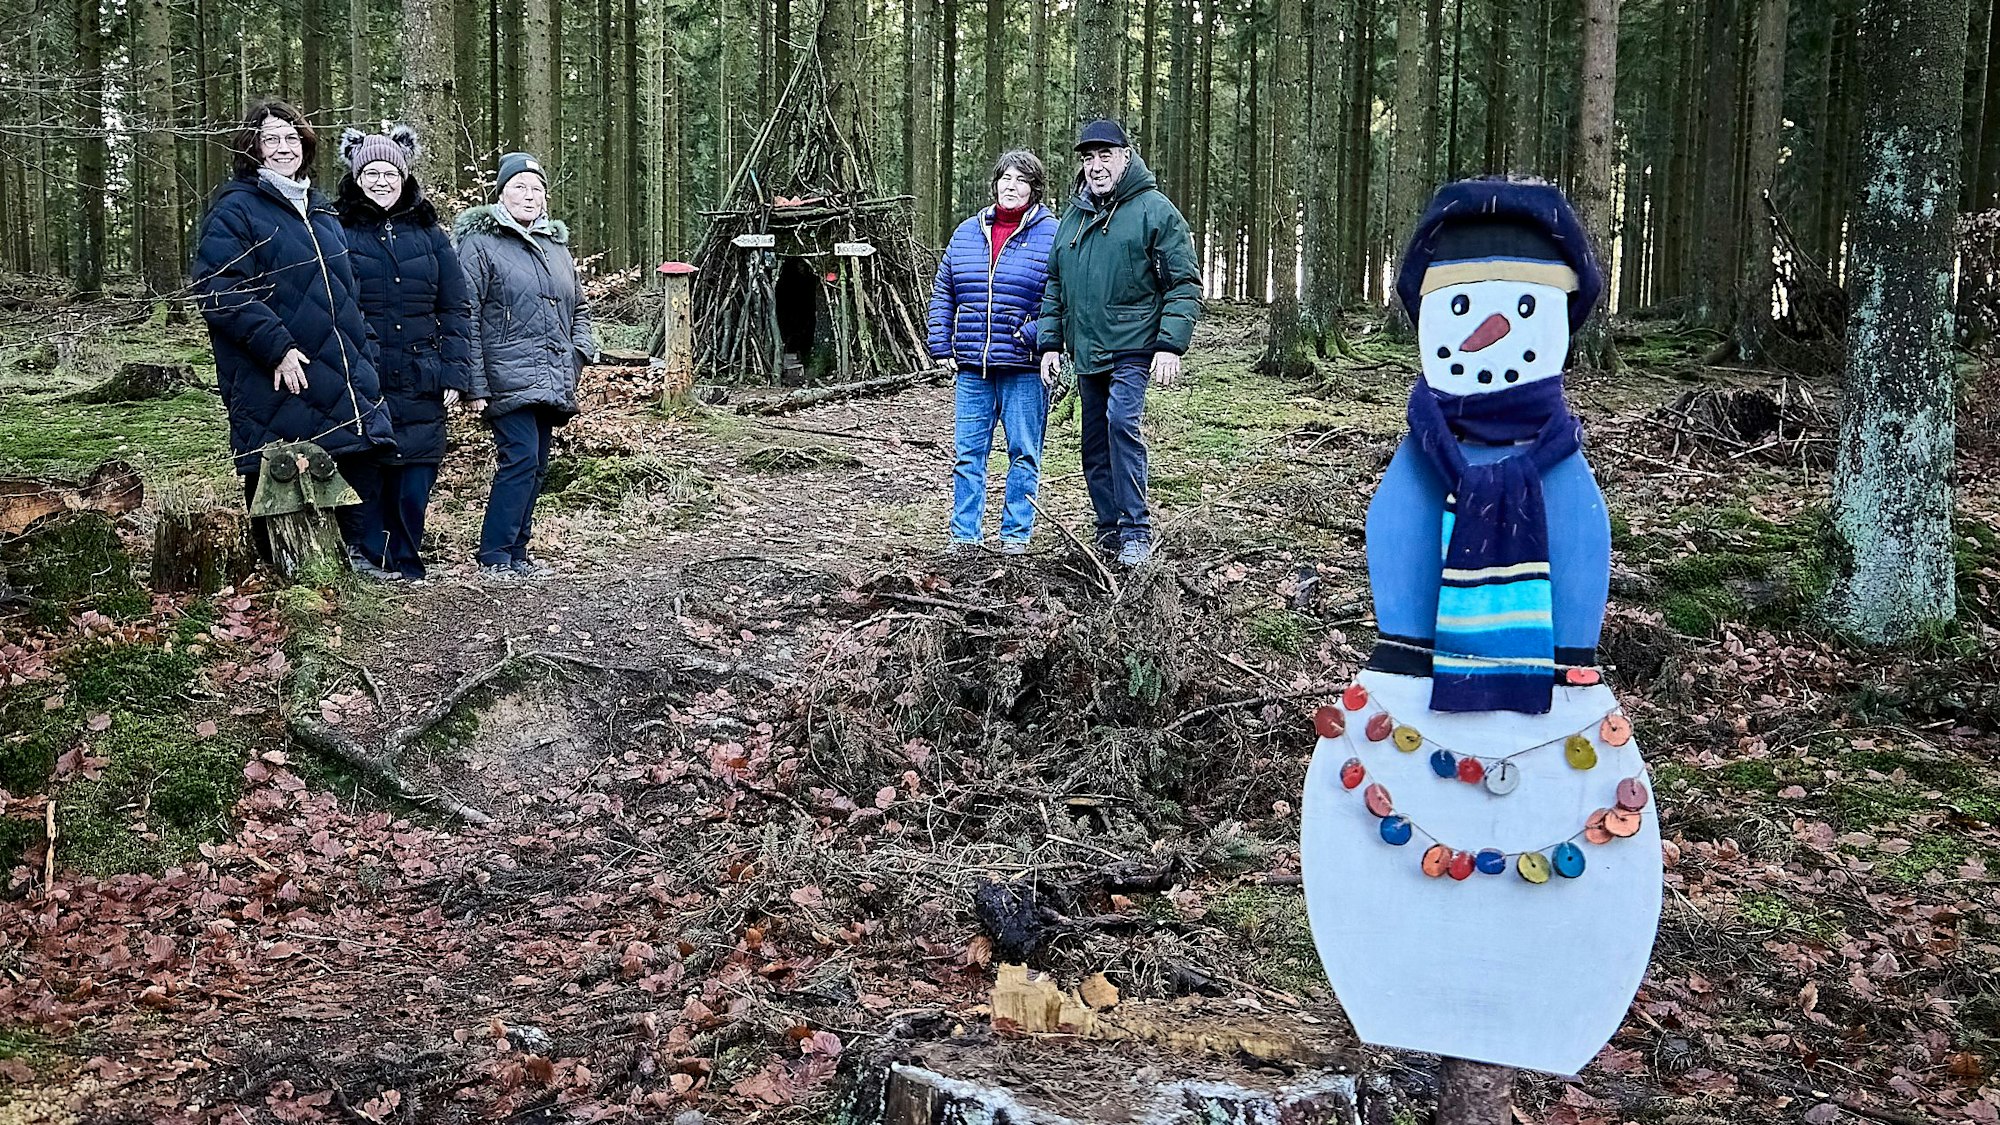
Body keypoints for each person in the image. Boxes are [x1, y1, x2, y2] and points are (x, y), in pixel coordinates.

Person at [191, 99, 396, 574]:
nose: (284, 147)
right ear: (252, 147)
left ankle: (356, 566)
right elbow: (220, 288)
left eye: (291, 138)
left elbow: (348, 293)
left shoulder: (322, 212)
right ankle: (292, 576)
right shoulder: (236, 210)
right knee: (278, 464)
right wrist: (277, 346)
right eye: (271, 139)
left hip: (343, 367)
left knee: (357, 454)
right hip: (274, 370)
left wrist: (365, 352)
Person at [1036, 120, 1202, 567]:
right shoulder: (1073, 216)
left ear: (1126, 157)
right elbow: (1055, 284)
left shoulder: (1155, 210)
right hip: (1086, 351)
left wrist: (1170, 345)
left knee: (1120, 426)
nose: (1096, 166)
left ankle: (1135, 532)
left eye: (1105, 156)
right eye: (1088, 158)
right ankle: (1108, 530)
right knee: (1092, 442)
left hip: (1133, 347)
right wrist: (1050, 344)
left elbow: (1184, 283)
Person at [335, 125, 474, 581]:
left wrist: (455, 372)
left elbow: (455, 305)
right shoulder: (336, 227)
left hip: (422, 372)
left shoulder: (430, 232)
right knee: (367, 467)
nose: (381, 181)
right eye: (371, 172)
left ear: (405, 175)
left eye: (390, 172)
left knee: (417, 473)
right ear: (356, 177)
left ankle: (405, 557)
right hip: (363, 371)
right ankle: (368, 556)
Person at [455, 152, 599, 580]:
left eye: (537, 188)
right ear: (501, 192)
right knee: (519, 459)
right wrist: (475, 385)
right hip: (504, 374)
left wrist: (579, 353)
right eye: (520, 186)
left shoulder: (555, 247)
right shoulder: (480, 243)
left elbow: (581, 308)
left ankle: (518, 554)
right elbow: (465, 314)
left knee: (536, 464)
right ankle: (494, 555)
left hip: (553, 374)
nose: (529, 195)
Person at [928, 150, 1058, 555]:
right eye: (1006, 178)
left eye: (1022, 180)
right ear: (995, 183)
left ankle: (1015, 537)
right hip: (973, 366)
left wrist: (1033, 333)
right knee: (968, 457)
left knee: (1023, 454)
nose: (1011, 186)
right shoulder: (968, 231)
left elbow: (1064, 296)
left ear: (1034, 189)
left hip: (1024, 366)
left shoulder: (1053, 232)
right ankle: (964, 536)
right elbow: (944, 289)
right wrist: (940, 341)